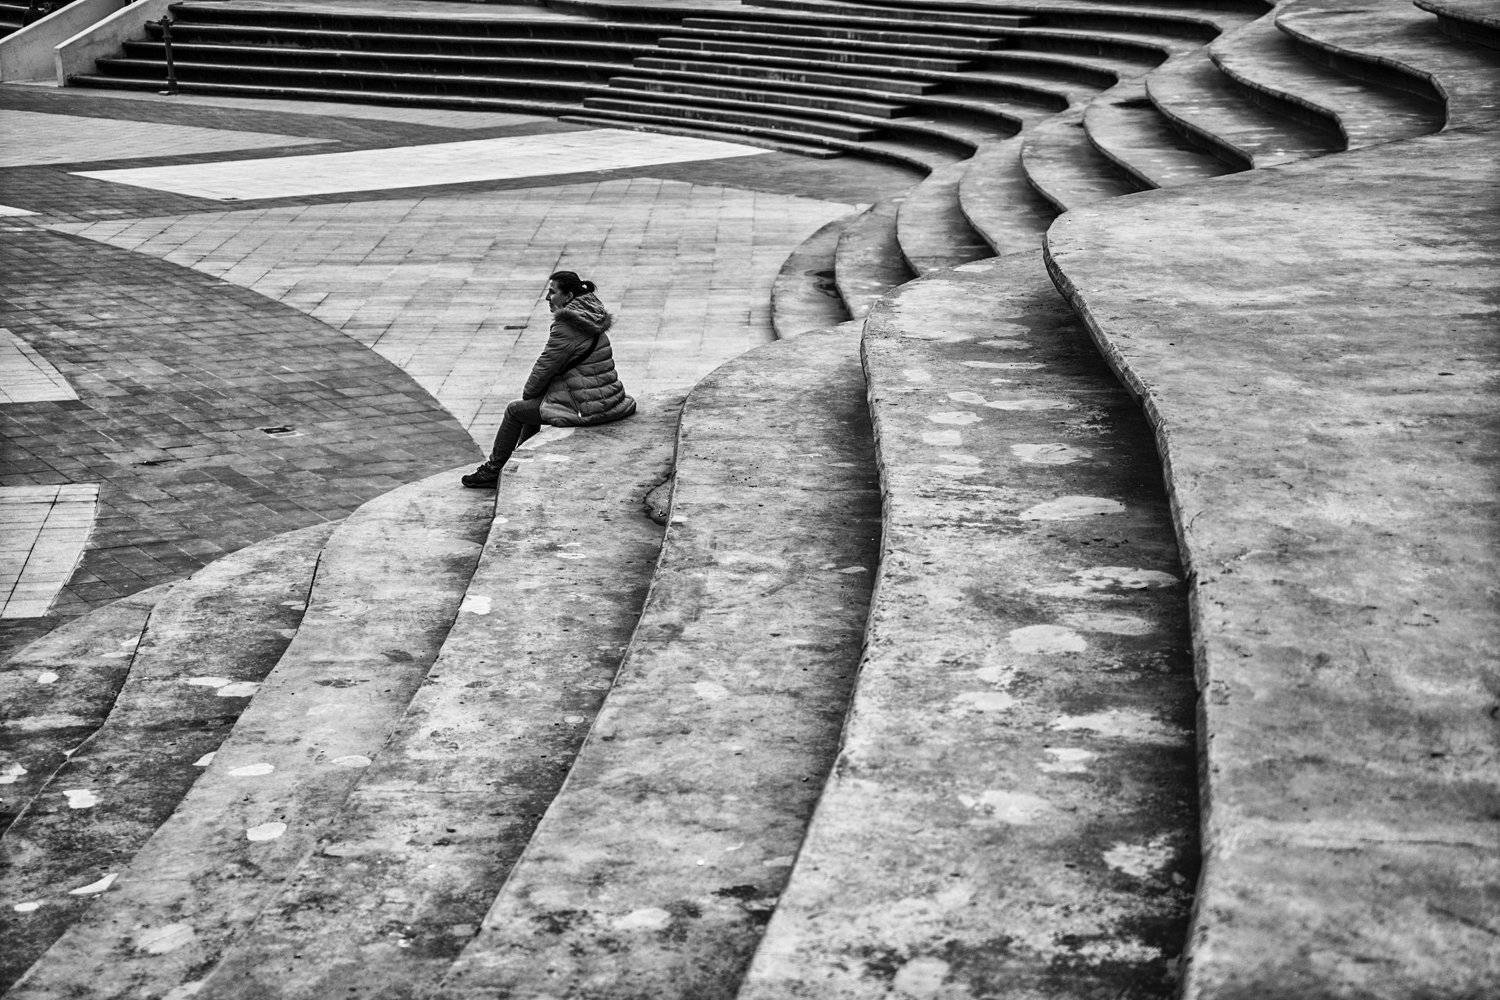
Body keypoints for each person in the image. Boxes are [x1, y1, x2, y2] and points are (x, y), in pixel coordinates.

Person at [461, 271, 636, 488]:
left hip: (587, 407)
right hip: (607, 398)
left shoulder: (567, 326)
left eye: (552, 293)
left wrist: (529, 394)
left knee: (515, 411)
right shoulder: (591, 315)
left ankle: (494, 469)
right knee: (533, 406)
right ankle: (520, 459)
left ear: (568, 295)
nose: (547, 298)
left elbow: (544, 367)